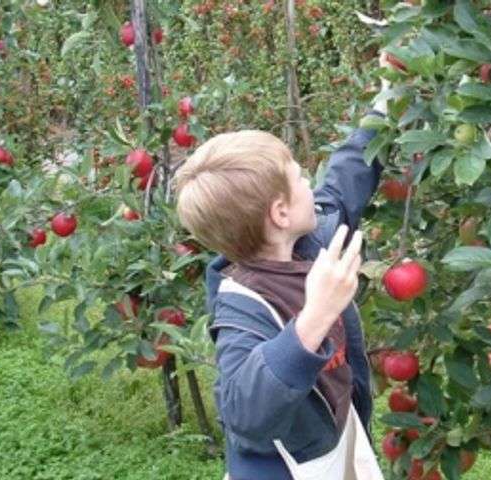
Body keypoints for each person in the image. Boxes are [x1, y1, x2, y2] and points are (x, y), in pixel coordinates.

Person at [173, 56, 394, 480]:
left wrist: (387, 103)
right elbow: (243, 413)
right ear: (280, 213)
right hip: (291, 468)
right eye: (300, 178)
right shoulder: (241, 306)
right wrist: (315, 317)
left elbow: (345, 179)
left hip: (336, 434)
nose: (311, 183)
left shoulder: (311, 243)